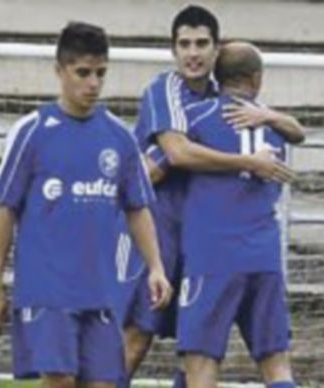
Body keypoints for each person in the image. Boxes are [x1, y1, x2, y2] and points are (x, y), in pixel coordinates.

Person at [0, 21, 172, 388]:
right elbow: (5, 210)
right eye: (83, 73)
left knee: (102, 384)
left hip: (100, 290)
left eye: (101, 73)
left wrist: (156, 268)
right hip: (47, 288)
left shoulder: (119, 136)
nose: (93, 83)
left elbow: (137, 208)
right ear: (59, 71)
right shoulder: (33, 131)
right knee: (61, 381)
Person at [117, 6, 295, 387]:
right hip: (158, 231)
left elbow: (293, 129)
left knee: (195, 350)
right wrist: (249, 162)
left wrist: (274, 117)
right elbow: (175, 155)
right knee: (137, 335)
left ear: (217, 49)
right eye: (184, 44)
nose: (192, 53)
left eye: (201, 44)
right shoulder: (165, 90)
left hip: (202, 239)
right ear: (173, 50)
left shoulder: (222, 102)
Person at [176, 41, 304, 388]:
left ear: (216, 76)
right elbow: (299, 132)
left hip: (213, 256)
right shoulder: (276, 127)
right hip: (264, 255)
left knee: (200, 362)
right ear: (256, 78)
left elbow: (168, 159)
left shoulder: (196, 119)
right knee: (276, 364)